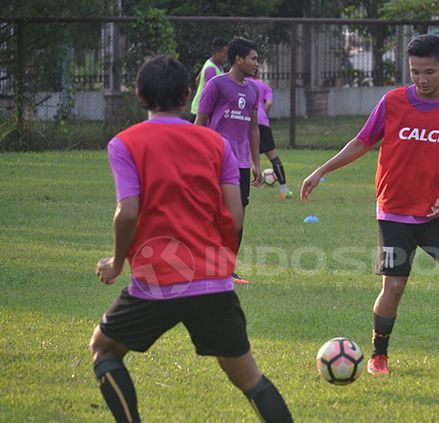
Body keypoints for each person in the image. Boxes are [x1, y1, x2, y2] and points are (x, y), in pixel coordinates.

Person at [89, 55, 293, 423]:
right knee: (249, 378)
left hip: (156, 282)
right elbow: (234, 216)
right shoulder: (216, 145)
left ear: (139, 95)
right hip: (213, 281)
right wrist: (221, 264)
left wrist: (117, 262)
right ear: (187, 96)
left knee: (103, 350)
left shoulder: (125, 143)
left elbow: (129, 212)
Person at [301, 35, 439, 375]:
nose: (421, 79)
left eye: (429, 72)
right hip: (393, 212)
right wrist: (321, 170)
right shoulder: (392, 102)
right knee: (393, 286)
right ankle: (379, 354)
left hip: (436, 212)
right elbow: (361, 142)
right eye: (415, 72)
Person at [196, 37, 263, 284]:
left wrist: (256, 163)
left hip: (241, 165)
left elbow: (253, 129)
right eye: (253, 58)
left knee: (238, 217)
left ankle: (226, 269)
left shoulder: (253, 89)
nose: (257, 63)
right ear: (238, 59)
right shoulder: (216, 85)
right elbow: (200, 124)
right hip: (215, 162)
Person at [247, 68, 292, 199]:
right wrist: (263, 113)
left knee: (245, 156)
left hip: (247, 120)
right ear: (259, 73)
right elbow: (269, 102)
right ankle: (284, 189)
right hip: (261, 121)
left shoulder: (245, 83)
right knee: (273, 156)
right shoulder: (265, 86)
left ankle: (241, 188)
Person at [190, 37, 229, 118]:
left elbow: (197, 79)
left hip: (200, 109)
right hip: (201, 112)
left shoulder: (214, 64)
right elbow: (210, 94)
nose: (227, 57)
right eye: (225, 54)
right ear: (217, 52)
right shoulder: (212, 69)